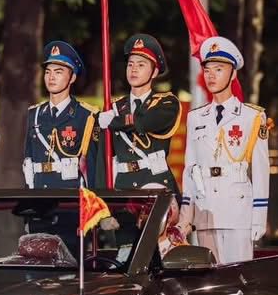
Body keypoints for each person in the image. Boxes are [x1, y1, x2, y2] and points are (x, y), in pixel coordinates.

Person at [177, 37, 270, 264]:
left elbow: (261, 170)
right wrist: (186, 214)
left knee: (237, 278)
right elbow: (190, 170)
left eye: (218, 69)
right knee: (209, 279)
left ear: (233, 74)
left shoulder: (252, 116)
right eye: (207, 70)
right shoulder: (195, 117)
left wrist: (259, 217)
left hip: (238, 210)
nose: (211, 75)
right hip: (205, 209)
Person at [97, 34, 182, 191]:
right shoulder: (114, 107)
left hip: (155, 183)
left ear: (154, 72)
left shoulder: (166, 103)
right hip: (123, 185)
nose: (134, 69)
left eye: (141, 65)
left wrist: (113, 122)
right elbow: (103, 159)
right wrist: (102, 196)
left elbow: (143, 122)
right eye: (130, 64)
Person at [22, 40, 103, 191]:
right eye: (48, 72)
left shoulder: (87, 115)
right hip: (38, 194)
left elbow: (93, 167)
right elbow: (28, 161)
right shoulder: (35, 114)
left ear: (72, 78)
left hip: (70, 196)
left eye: (58, 72)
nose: (51, 77)